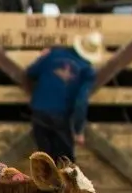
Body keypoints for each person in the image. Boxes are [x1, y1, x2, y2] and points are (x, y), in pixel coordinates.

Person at [24, 31, 104, 163]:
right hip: (61, 116)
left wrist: (42, 58)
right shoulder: (87, 71)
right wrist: (78, 130)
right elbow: (81, 102)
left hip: (39, 112)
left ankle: (46, 183)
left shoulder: (53, 54)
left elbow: (31, 72)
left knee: (46, 161)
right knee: (65, 163)